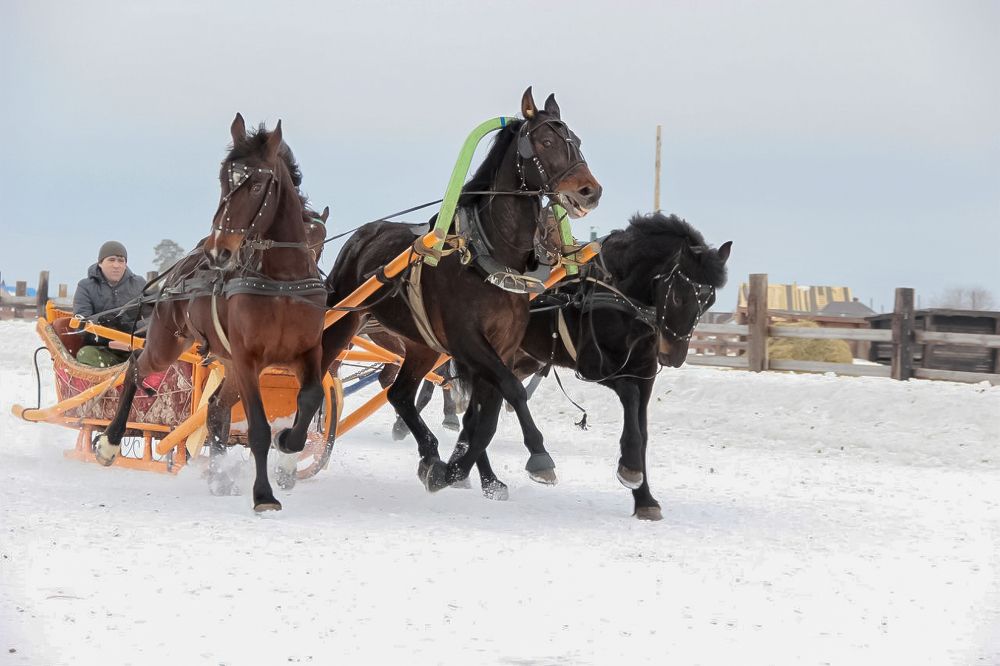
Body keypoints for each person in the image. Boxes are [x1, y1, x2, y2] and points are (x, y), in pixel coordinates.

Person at [72, 240, 147, 367]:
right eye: (111, 260)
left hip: (137, 349)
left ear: (126, 264)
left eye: (121, 260)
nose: (116, 265)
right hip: (104, 349)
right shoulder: (85, 286)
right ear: (100, 263)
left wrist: (134, 339)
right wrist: (109, 341)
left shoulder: (140, 284)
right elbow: (81, 325)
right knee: (85, 354)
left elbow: (154, 316)